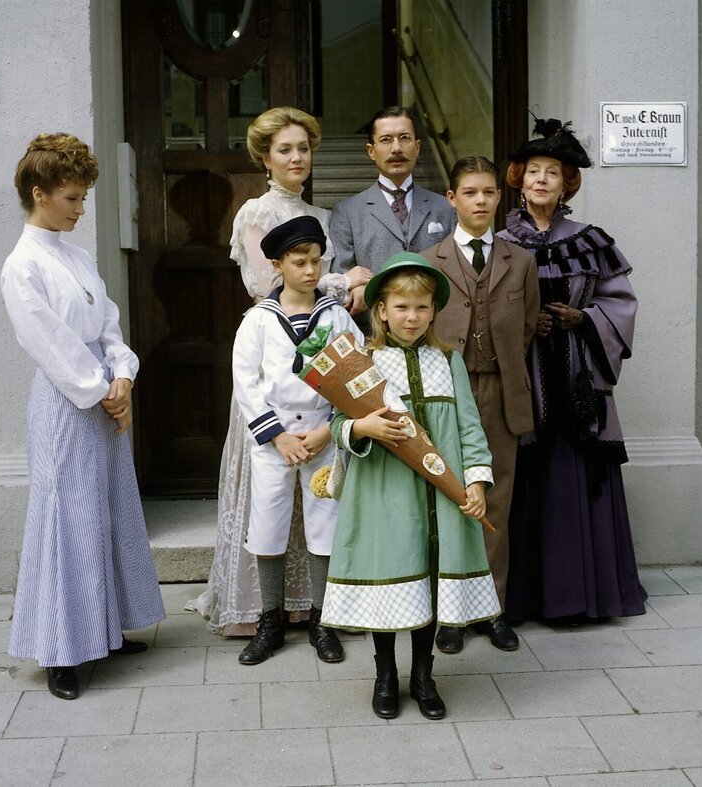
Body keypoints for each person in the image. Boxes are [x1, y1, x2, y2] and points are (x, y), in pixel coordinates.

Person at [190, 107, 371, 635]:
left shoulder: (321, 216)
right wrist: (343, 281)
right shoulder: (256, 213)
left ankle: (316, 609)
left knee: (321, 507)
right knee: (268, 505)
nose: (297, 158)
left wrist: (340, 291)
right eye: (285, 150)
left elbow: (326, 303)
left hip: (321, 383)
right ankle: (264, 609)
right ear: (265, 159)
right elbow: (263, 288)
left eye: (303, 149)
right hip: (274, 373)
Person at [1, 133, 165, 700]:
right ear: (39, 194)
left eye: (83, 198)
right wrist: (100, 390)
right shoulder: (22, 265)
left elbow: (107, 324)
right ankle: (61, 651)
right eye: (72, 198)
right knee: (67, 519)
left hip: (102, 392)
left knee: (109, 508)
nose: (80, 209)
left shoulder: (76, 256)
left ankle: (107, 629)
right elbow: (49, 343)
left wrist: (123, 374)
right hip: (66, 402)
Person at [321, 252, 501, 721]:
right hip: (384, 494)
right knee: (390, 580)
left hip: (440, 499)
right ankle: (385, 676)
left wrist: (476, 481)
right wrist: (364, 428)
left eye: (422, 307)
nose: (412, 317)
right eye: (401, 307)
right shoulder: (364, 362)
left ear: (433, 311)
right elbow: (338, 424)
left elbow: (469, 427)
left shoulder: (448, 360)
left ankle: (423, 675)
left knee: (430, 581)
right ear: (381, 310)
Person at [496, 118, 647, 623]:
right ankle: (524, 598)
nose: (542, 180)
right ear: (519, 180)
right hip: (525, 381)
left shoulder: (591, 240)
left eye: (553, 173)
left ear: (567, 184)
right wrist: (525, 325)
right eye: (534, 171)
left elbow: (621, 304)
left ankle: (582, 597)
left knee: (576, 476)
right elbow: (485, 313)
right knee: (525, 480)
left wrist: (584, 319)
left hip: (580, 378)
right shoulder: (499, 243)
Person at [232, 215, 364, 664]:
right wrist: (277, 436)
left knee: (325, 524)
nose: (310, 270)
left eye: (316, 261)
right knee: (267, 526)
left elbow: (357, 374)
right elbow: (246, 382)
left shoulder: (336, 316)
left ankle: (322, 621)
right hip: (275, 439)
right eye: (299, 262)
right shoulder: (259, 321)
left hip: (323, 433)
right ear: (277, 265)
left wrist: (331, 428)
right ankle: (270, 621)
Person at [422, 156, 539, 654]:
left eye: (489, 192)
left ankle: (492, 609)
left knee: (495, 500)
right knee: (450, 499)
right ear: (452, 199)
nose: (480, 201)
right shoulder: (429, 260)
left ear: (499, 197)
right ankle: (450, 614)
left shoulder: (521, 261)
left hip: (500, 392)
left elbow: (527, 326)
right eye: (470, 192)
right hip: (446, 395)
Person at [329, 106, 455, 328]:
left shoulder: (445, 208)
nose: (396, 148)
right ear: (371, 150)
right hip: (371, 334)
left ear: (418, 147)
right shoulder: (346, 212)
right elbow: (341, 279)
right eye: (386, 139)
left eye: (404, 138)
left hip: (434, 332)